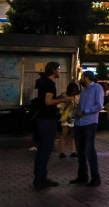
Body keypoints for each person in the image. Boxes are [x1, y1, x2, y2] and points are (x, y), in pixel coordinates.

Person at [33, 61, 67, 189]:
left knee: (42, 149)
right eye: (58, 69)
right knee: (46, 149)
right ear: (53, 70)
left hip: (42, 119)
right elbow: (48, 102)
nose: (59, 71)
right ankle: (41, 180)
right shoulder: (49, 83)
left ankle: (39, 177)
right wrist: (63, 99)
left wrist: (58, 96)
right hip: (47, 120)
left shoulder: (42, 82)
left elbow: (44, 100)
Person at [71, 71, 105, 187]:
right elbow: (79, 106)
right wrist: (73, 115)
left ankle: (95, 178)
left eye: (82, 77)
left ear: (86, 77)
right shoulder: (83, 90)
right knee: (80, 151)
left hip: (90, 123)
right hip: (79, 123)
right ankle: (82, 176)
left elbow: (99, 105)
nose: (80, 79)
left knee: (89, 150)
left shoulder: (97, 88)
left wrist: (85, 112)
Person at [58, 82, 79, 159]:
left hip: (73, 118)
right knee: (64, 134)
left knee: (73, 135)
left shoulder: (76, 97)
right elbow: (60, 106)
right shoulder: (64, 96)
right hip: (66, 118)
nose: (74, 92)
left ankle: (73, 151)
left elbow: (78, 106)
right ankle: (62, 152)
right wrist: (67, 101)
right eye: (73, 90)